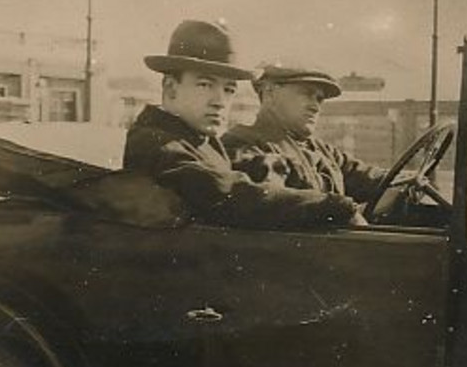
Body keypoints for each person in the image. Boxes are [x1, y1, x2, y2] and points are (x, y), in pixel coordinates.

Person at [119, 20, 361, 228]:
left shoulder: (197, 140)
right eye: (205, 84)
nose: (220, 101)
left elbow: (234, 169)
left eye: (229, 89)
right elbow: (227, 192)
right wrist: (334, 206)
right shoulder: (156, 144)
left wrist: (276, 163)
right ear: (171, 88)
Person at [223, 65, 388, 205]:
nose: (315, 107)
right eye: (307, 94)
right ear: (270, 93)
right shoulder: (242, 143)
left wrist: (411, 180)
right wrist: (343, 208)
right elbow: (274, 200)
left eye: (319, 99)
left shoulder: (320, 150)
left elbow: (369, 177)